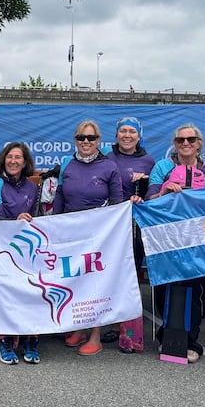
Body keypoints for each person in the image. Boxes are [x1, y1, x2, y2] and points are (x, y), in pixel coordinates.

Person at [148, 123, 205, 363]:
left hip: (195, 240)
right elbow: (150, 201)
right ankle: (167, 335)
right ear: (174, 144)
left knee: (193, 290)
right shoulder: (163, 167)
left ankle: (191, 341)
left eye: (190, 140)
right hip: (167, 238)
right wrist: (165, 192)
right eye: (180, 141)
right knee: (164, 288)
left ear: (199, 143)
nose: (185, 144)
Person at [57, 118, 123, 356]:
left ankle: (95, 335)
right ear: (75, 140)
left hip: (99, 235)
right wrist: (56, 224)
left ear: (98, 141)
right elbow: (60, 197)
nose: (86, 142)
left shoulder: (109, 167)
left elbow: (117, 202)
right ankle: (80, 329)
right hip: (72, 233)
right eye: (81, 138)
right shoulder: (68, 164)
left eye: (91, 138)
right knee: (76, 280)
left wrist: (112, 231)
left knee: (95, 283)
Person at [0, 142, 41, 364]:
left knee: (32, 293)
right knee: (7, 296)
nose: (13, 161)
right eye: (10, 157)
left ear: (25, 162)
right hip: (2, 249)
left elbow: (36, 219)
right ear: (3, 160)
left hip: (27, 249)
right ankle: (5, 341)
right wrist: (16, 221)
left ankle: (31, 341)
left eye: (18, 157)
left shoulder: (32, 187)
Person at [103, 116, 155, 350]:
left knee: (132, 272)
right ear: (116, 135)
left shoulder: (148, 160)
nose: (127, 135)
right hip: (111, 226)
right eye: (122, 131)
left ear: (139, 135)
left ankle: (130, 327)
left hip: (136, 225)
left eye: (132, 132)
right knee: (112, 272)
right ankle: (114, 324)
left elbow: (153, 192)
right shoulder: (106, 156)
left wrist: (143, 185)